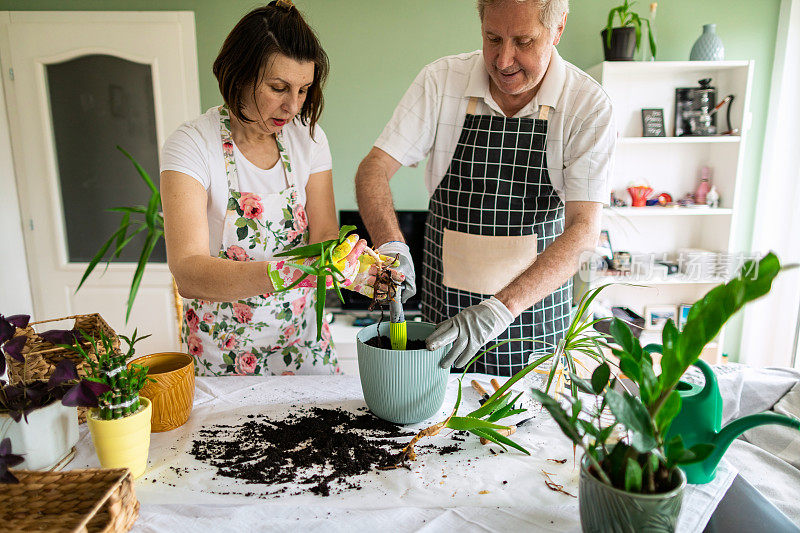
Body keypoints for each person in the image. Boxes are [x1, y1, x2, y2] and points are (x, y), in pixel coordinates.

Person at [355, 0, 615, 376]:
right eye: (492, 38)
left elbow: (584, 229)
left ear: (558, 29)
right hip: (444, 318)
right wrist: (392, 243)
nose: (504, 59)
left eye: (524, 41)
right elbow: (373, 169)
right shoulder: (442, 81)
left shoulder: (587, 105)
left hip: (533, 321)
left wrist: (500, 308)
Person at [161, 1, 399, 376]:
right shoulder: (192, 144)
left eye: (303, 89)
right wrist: (287, 272)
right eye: (278, 87)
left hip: (303, 345)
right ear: (240, 74)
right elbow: (188, 273)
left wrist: (352, 264)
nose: (292, 106)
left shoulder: (309, 138)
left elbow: (323, 234)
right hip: (223, 355)